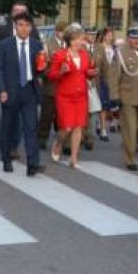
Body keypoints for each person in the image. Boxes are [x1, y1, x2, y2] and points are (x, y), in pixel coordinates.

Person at [0, 12, 45, 176]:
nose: (24, 29)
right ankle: (6, 159)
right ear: (16, 27)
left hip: (29, 91)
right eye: (21, 25)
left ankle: (33, 164)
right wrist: (2, 90)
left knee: (31, 128)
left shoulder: (37, 45)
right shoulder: (5, 44)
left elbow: (39, 69)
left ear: (31, 27)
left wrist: (42, 68)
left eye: (27, 25)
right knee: (8, 127)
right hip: (10, 91)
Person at [47, 25, 97, 168]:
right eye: (81, 39)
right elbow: (51, 75)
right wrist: (61, 72)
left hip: (81, 95)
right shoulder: (60, 55)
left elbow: (85, 72)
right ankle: (59, 141)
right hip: (65, 96)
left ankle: (74, 159)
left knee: (78, 127)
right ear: (73, 40)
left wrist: (92, 73)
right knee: (66, 127)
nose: (84, 41)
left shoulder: (84, 55)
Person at [112, 27, 138, 171]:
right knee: (130, 128)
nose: (137, 41)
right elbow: (114, 76)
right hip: (127, 96)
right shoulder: (121, 54)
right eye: (134, 39)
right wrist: (115, 97)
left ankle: (130, 144)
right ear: (129, 39)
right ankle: (130, 159)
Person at [36, 20, 66, 151]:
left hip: (65, 87)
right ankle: (42, 139)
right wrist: (53, 73)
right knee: (47, 116)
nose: (64, 34)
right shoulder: (47, 45)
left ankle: (62, 142)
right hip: (51, 87)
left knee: (63, 118)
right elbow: (42, 67)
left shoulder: (70, 45)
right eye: (62, 32)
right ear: (57, 32)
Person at [93, 27, 118, 141]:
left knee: (110, 106)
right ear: (103, 36)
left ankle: (100, 123)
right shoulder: (98, 48)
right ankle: (103, 130)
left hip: (112, 81)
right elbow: (96, 64)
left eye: (111, 35)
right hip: (101, 80)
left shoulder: (114, 49)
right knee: (103, 106)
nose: (110, 37)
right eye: (108, 35)